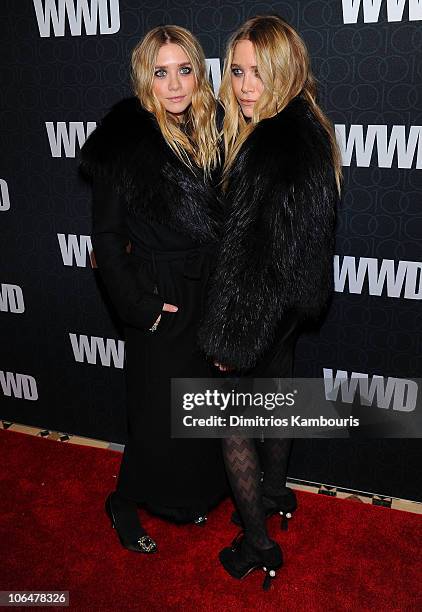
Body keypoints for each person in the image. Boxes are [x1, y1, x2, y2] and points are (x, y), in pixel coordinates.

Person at [198, 15, 342, 588]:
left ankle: (258, 544)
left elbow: (251, 262)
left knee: (228, 420)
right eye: (237, 71)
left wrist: (228, 342)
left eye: (260, 72)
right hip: (290, 311)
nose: (245, 86)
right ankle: (278, 494)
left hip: (257, 313)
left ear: (287, 70)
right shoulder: (310, 129)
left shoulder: (269, 147)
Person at [79, 25, 228, 553]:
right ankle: (124, 500)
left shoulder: (214, 130)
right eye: (161, 72)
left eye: (184, 69)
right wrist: (141, 308)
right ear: (146, 77)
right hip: (158, 292)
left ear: (198, 72)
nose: (174, 84)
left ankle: (184, 498)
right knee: (153, 410)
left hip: (208, 289)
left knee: (198, 405)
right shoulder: (124, 140)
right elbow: (106, 234)